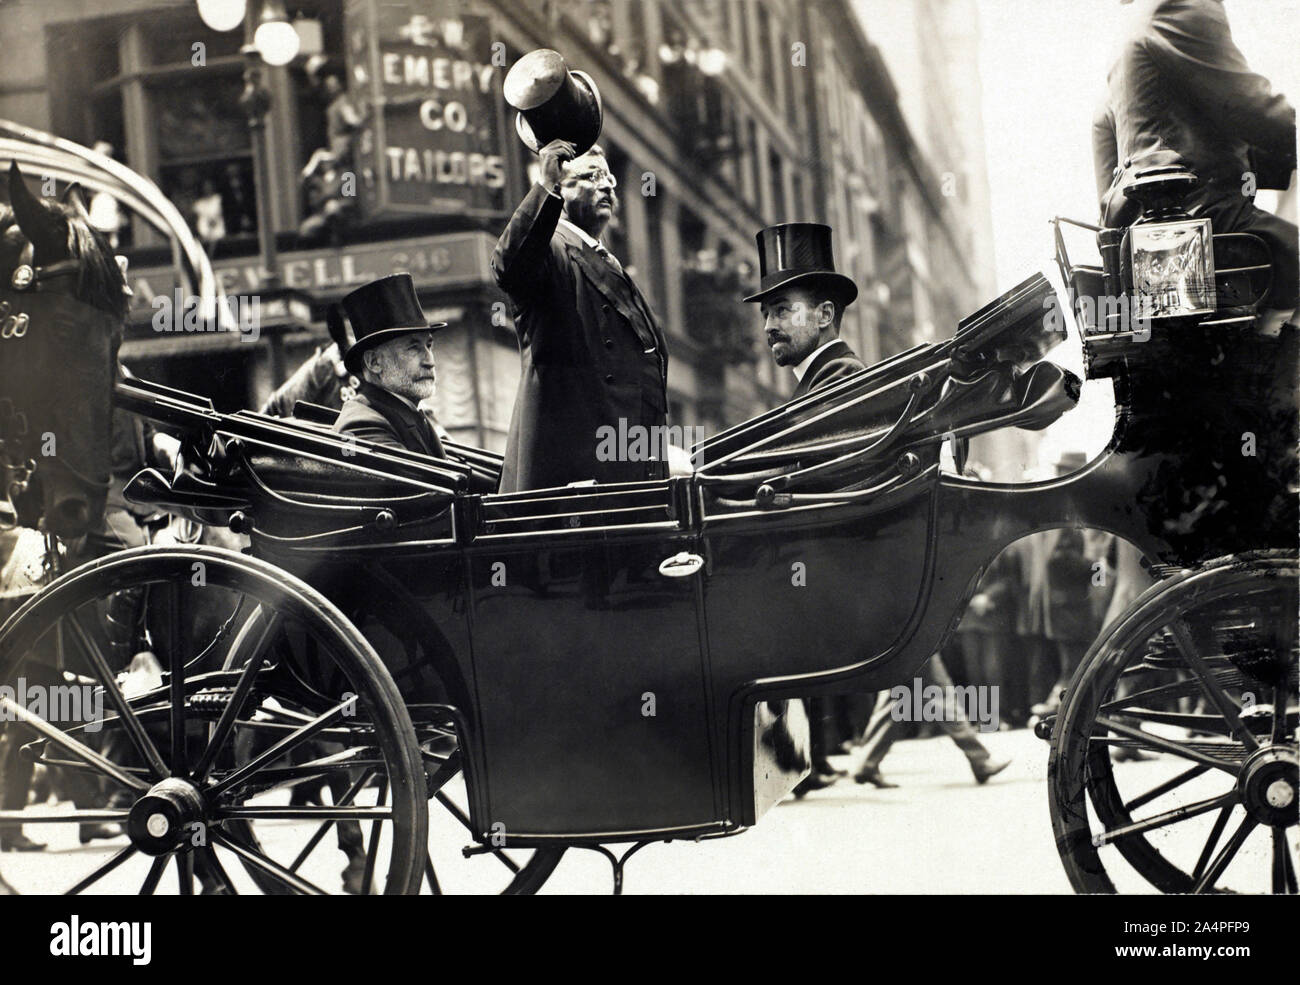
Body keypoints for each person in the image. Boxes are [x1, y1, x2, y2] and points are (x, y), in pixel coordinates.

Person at [744, 222, 864, 795]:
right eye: (766, 311)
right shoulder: (820, 380)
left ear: (824, 315)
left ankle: (780, 754)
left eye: (783, 309)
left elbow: (809, 476)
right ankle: (789, 752)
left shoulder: (836, 380)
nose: (769, 324)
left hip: (834, 568)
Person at [1094, 0, 1298, 318]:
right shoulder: (1177, 6)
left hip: (1145, 246)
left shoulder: (1129, 28)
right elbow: (1253, 108)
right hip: (1208, 231)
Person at [491, 141, 669, 492]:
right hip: (577, 479)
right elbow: (509, 266)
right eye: (589, 177)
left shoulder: (608, 261)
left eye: (607, 177)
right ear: (558, 188)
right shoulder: (550, 248)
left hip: (629, 467)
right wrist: (543, 187)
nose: (604, 185)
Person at [853, 652, 1012, 788]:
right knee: (939, 693)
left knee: (897, 697)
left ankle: (867, 763)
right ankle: (980, 760)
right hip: (915, 636)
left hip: (895, 637)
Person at [332, 273, 448, 458]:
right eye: (413, 348)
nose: (430, 361)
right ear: (374, 362)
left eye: (428, 345)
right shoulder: (362, 425)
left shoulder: (408, 414)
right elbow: (425, 484)